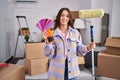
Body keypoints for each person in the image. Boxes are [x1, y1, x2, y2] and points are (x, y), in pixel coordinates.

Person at [43, 7, 95, 80]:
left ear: (69, 18)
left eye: (67, 16)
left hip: (72, 68)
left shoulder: (75, 33)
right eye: (62, 15)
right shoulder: (52, 33)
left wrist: (88, 47)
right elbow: (49, 54)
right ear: (58, 17)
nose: (64, 18)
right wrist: (48, 44)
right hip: (56, 70)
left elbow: (79, 50)